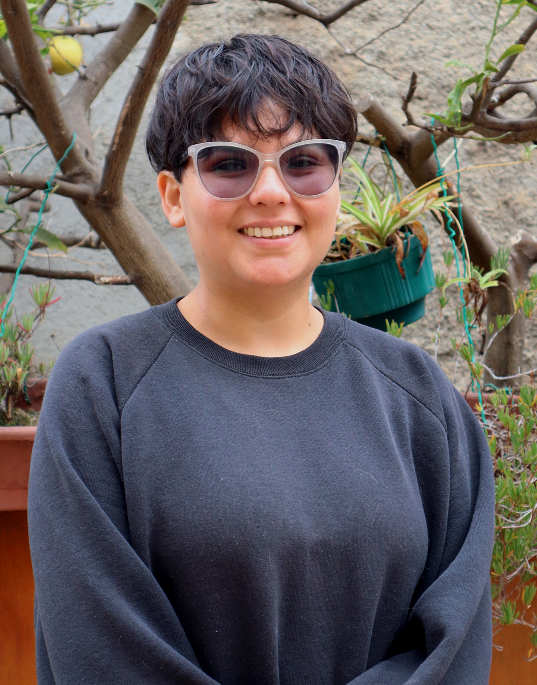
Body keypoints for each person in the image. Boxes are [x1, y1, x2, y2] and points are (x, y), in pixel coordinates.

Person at [28, 34, 495, 685]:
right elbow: (99, 646)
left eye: (304, 162)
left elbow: (453, 646)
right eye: (229, 164)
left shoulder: (419, 397)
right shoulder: (102, 385)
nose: (272, 191)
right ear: (172, 195)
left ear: (336, 187)